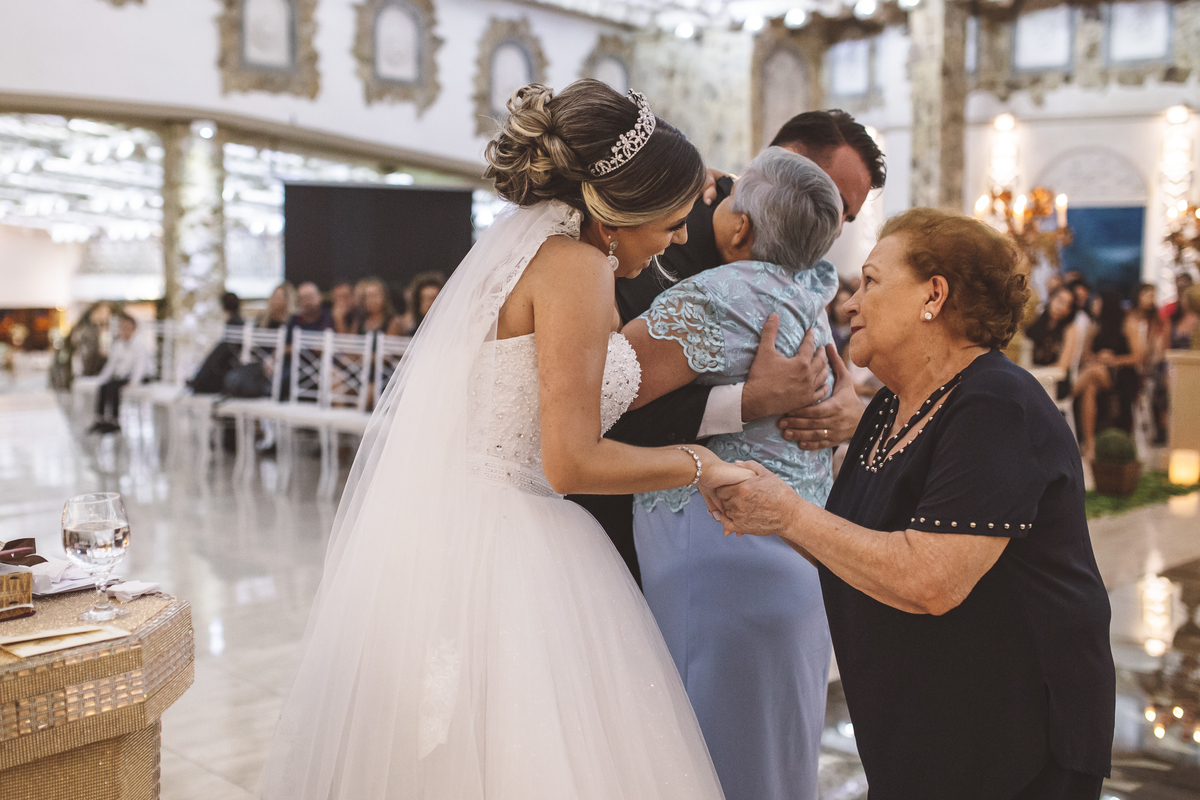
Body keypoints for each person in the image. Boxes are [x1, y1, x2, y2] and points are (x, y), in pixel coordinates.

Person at [257, 80, 752, 800]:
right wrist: (698, 465)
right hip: (512, 535)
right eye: (673, 221)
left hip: (444, 530)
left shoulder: (521, 260)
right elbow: (571, 459)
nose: (679, 237)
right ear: (621, 209)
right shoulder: (577, 269)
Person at [707, 207, 1115, 800]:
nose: (849, 304)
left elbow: (931, 580)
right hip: (927, 724)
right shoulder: (889, 410)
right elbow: (853, 545)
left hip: (1010, 736)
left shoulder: (995, 405)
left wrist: (790, 513)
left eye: (870, 281)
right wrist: (763, 507)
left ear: (935, 294)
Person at [575, 109, 886, 584]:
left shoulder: (797, 264)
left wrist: (845, 413)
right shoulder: (660, 222)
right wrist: (745, 402)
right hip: (608, 516)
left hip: (756, 545)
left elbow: (819, 366)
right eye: (833, 199)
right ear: (780, 163)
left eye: (846, 215)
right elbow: (592, 395)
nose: (834, 225)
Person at [622, 147, 843, 800]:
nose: (713, 193)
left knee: (707, 761)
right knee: (775, 763)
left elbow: (597, 390)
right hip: (800, 559)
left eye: (730, 191)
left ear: (741, 227)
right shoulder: (815, 289)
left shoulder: (715, 298)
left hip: (717, 552)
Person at [1074, 290, 1143, 457]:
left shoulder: (1128, 323)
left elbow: (1138, 357)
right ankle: (1090, 443)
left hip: (1122, 374)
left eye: (1097, 302)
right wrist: (1098, 357)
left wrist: (1113, 359)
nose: (1094, 306)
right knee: (1090, 386)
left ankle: (1066, 393)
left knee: (1093, 373)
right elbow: (1085, 356)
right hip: (1099, 372)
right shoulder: (1096, 325)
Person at [88, 314, 152, 434]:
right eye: (123, 327)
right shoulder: (118, 345)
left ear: (134, 328)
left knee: (114, 387)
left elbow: (140, 367)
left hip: (139, 377)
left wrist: (133, 383)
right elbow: (111, 366)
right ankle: (100, 419)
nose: (125, 330)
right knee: (104, 387)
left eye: (128, 327)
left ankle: (115, 421)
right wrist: (101, 379)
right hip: (122, 377)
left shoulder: (140, 345)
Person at [1024, 285, 1079, 400]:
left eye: (1067, 305)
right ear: (1051, 298)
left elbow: (1062, 366)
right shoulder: (1037, 321)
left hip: (1055, 381)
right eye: (1059, 300)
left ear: (1070, 310)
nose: (1061, 307)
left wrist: (1037, 374)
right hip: (1032, 375)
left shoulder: (1069, 329)